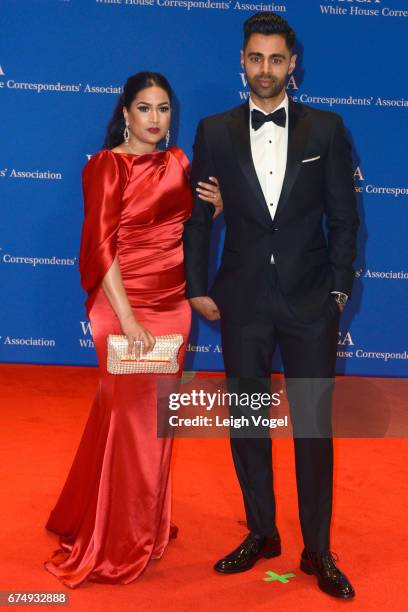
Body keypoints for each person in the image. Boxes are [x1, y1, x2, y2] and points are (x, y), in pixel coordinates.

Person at [183, 13, 359, 599]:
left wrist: (338, 289)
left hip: (312, 303)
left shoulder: (327, 130)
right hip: (243, 300)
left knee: (312, 428)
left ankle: (317, 549)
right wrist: (197, 284)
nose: (265, 69)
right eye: (255, 58)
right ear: (242, 60)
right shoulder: (213, 131)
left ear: (293, 63)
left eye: (276, 59)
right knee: (248, 421)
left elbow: (344, 216)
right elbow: (200, 216)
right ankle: (262, 532)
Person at [44, 72, 221, 588]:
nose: (154, 119)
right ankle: (116, 542)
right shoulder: (106, 166)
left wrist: (217, 209)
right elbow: (102, 247)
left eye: (163, 109)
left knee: (149, 419)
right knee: (132, 420)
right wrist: (126, 319)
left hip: (172, 306)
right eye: (144, 108)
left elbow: (188, 226)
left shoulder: (180, 162)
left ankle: (137, 520)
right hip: (123, 303)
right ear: (125, 112)